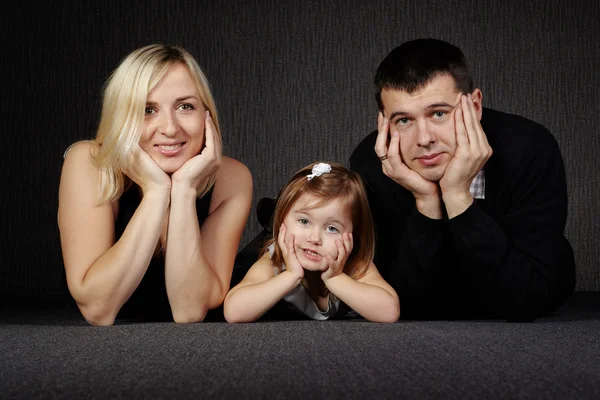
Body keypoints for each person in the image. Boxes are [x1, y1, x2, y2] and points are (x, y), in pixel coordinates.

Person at [349, 38, 576, 322]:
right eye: (404, 120)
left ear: (476, 106)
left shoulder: (529, 148)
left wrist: (457, 196)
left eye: (439, 114)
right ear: (384, 122)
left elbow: (526, 298)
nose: (424, 139)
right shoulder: (372, 165)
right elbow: (403, 305)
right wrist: (426, 201)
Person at [58, 44, 253, 325]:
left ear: (206, 115)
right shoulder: (89, 163)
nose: (170, 128)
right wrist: (156, 192)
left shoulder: (232, 179)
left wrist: (184, 190)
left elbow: (190, 309)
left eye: (185, 107)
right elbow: (97, 309)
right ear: (121, 118)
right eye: (147, 110)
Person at [223, 162, 400, 323]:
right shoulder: (275, 260)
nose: (314, 239)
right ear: (281, 221)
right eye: (304, 222)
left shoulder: (353, 263)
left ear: (353, 235)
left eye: (332, 228)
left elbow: (389, 312)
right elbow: (234, 312)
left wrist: (336, 278)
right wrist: (291, 275)